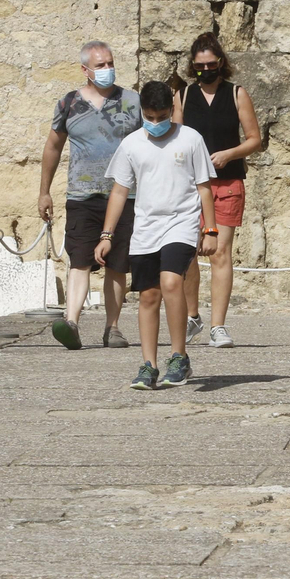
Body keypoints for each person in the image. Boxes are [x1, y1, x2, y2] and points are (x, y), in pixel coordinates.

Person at [96, 81, 218, 390]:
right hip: (146, 228)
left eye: (160, 116)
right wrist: (106, 235)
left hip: (182, 223)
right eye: (149, 117)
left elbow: (205, 186)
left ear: (172, 111)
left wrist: (211, 228)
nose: (155, 123)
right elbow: (120, 191)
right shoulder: (132, 144)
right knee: (149, 295)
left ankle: (178, 356)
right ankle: (148, 365)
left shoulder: (191, 139)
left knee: (171, 282)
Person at [38, 41, 142, 350]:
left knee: (118, 266)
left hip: (125, 196)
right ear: (85, 70)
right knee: (79, 260)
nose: (107, 69)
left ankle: (113, 328)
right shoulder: (69, 103)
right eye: (100, 65)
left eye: (110, 63)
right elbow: (53, 146)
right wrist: (44, 191)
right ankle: (71, 322)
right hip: (82, 196)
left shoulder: (133, 102)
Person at [172, 32, 262, 349]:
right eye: (199, 66)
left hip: (227, 183)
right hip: (190, 186)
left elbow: (254, 139)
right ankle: (193, 315)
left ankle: (218, 326)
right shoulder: (182, 96)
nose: (205, 70)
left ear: (221, 63)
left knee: (221, 252)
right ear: (192, 67)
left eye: (211, 64)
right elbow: (176, 138)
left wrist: (229, 154)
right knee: (188, 254)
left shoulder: (236, 94)